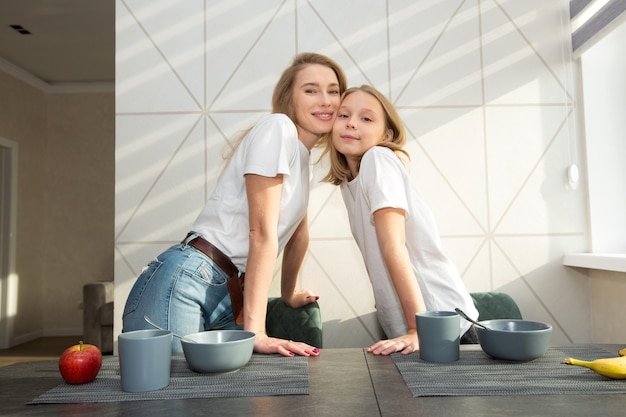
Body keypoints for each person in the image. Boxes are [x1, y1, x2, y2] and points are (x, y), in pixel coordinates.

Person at [123, 52, 347, 356]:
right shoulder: (278, 128)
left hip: (228, 293)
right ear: (289, 99)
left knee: (218, 401)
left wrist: (289, 293)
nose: (326, 100)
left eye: (333, 91)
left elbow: (297, 236)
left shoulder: (302, 159)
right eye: (311, 90)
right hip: (189, 280)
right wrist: (256, 331)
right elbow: (262, 233)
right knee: (167, 399)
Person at [321, 85, 479, 355]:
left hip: (437, 324)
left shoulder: (377, 159)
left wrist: (418, 328)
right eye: (343, 115)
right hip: (413, 327)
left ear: (387, 134)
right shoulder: (350, 183)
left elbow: (394, 245)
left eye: (366, 118)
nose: (351, 124)